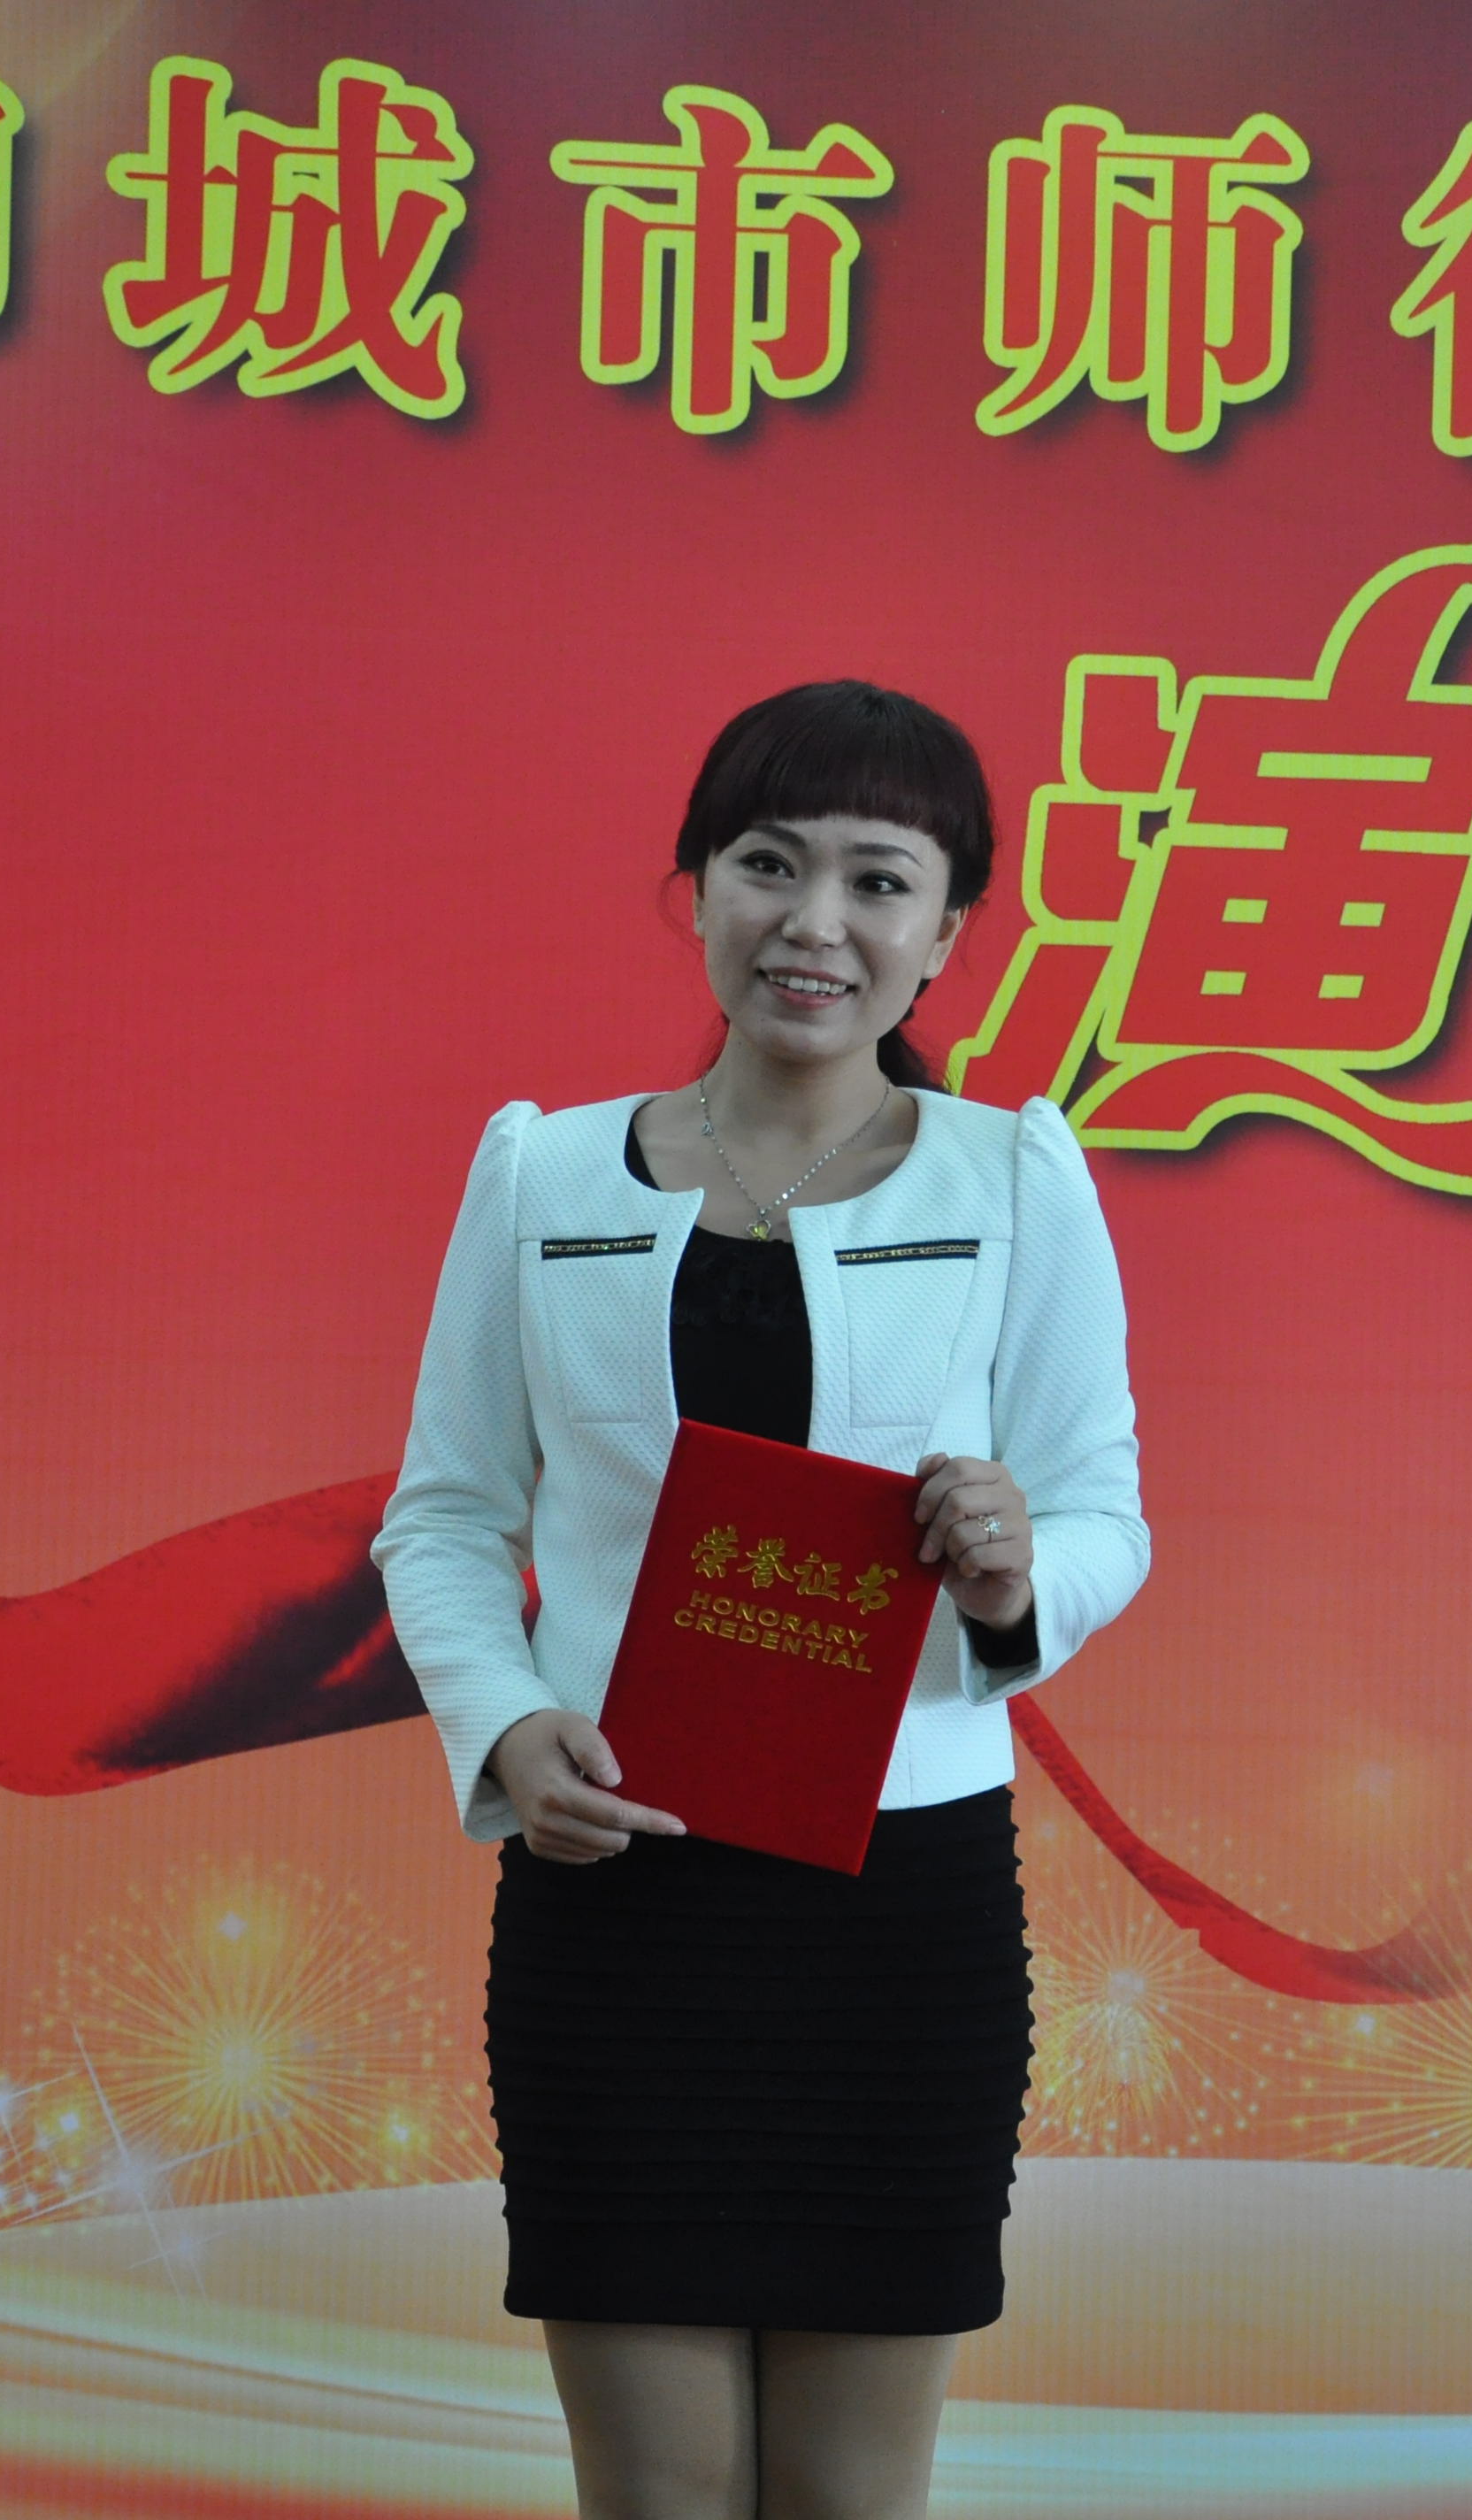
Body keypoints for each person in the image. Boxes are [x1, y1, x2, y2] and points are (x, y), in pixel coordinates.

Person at [375, 680, 1149, 2520]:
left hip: (900, 1910)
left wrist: (1016, 1569)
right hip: (619, 1901)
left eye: (879, 881)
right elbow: (446, 1517)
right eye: (767, 864)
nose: (816, 921)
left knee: (847, 2499)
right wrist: (505, 1725)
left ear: (945, 932)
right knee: (655, 2495)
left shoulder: (1014, 1177)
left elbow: (1103, 1513)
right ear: (696, 888)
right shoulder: (542, 1170)